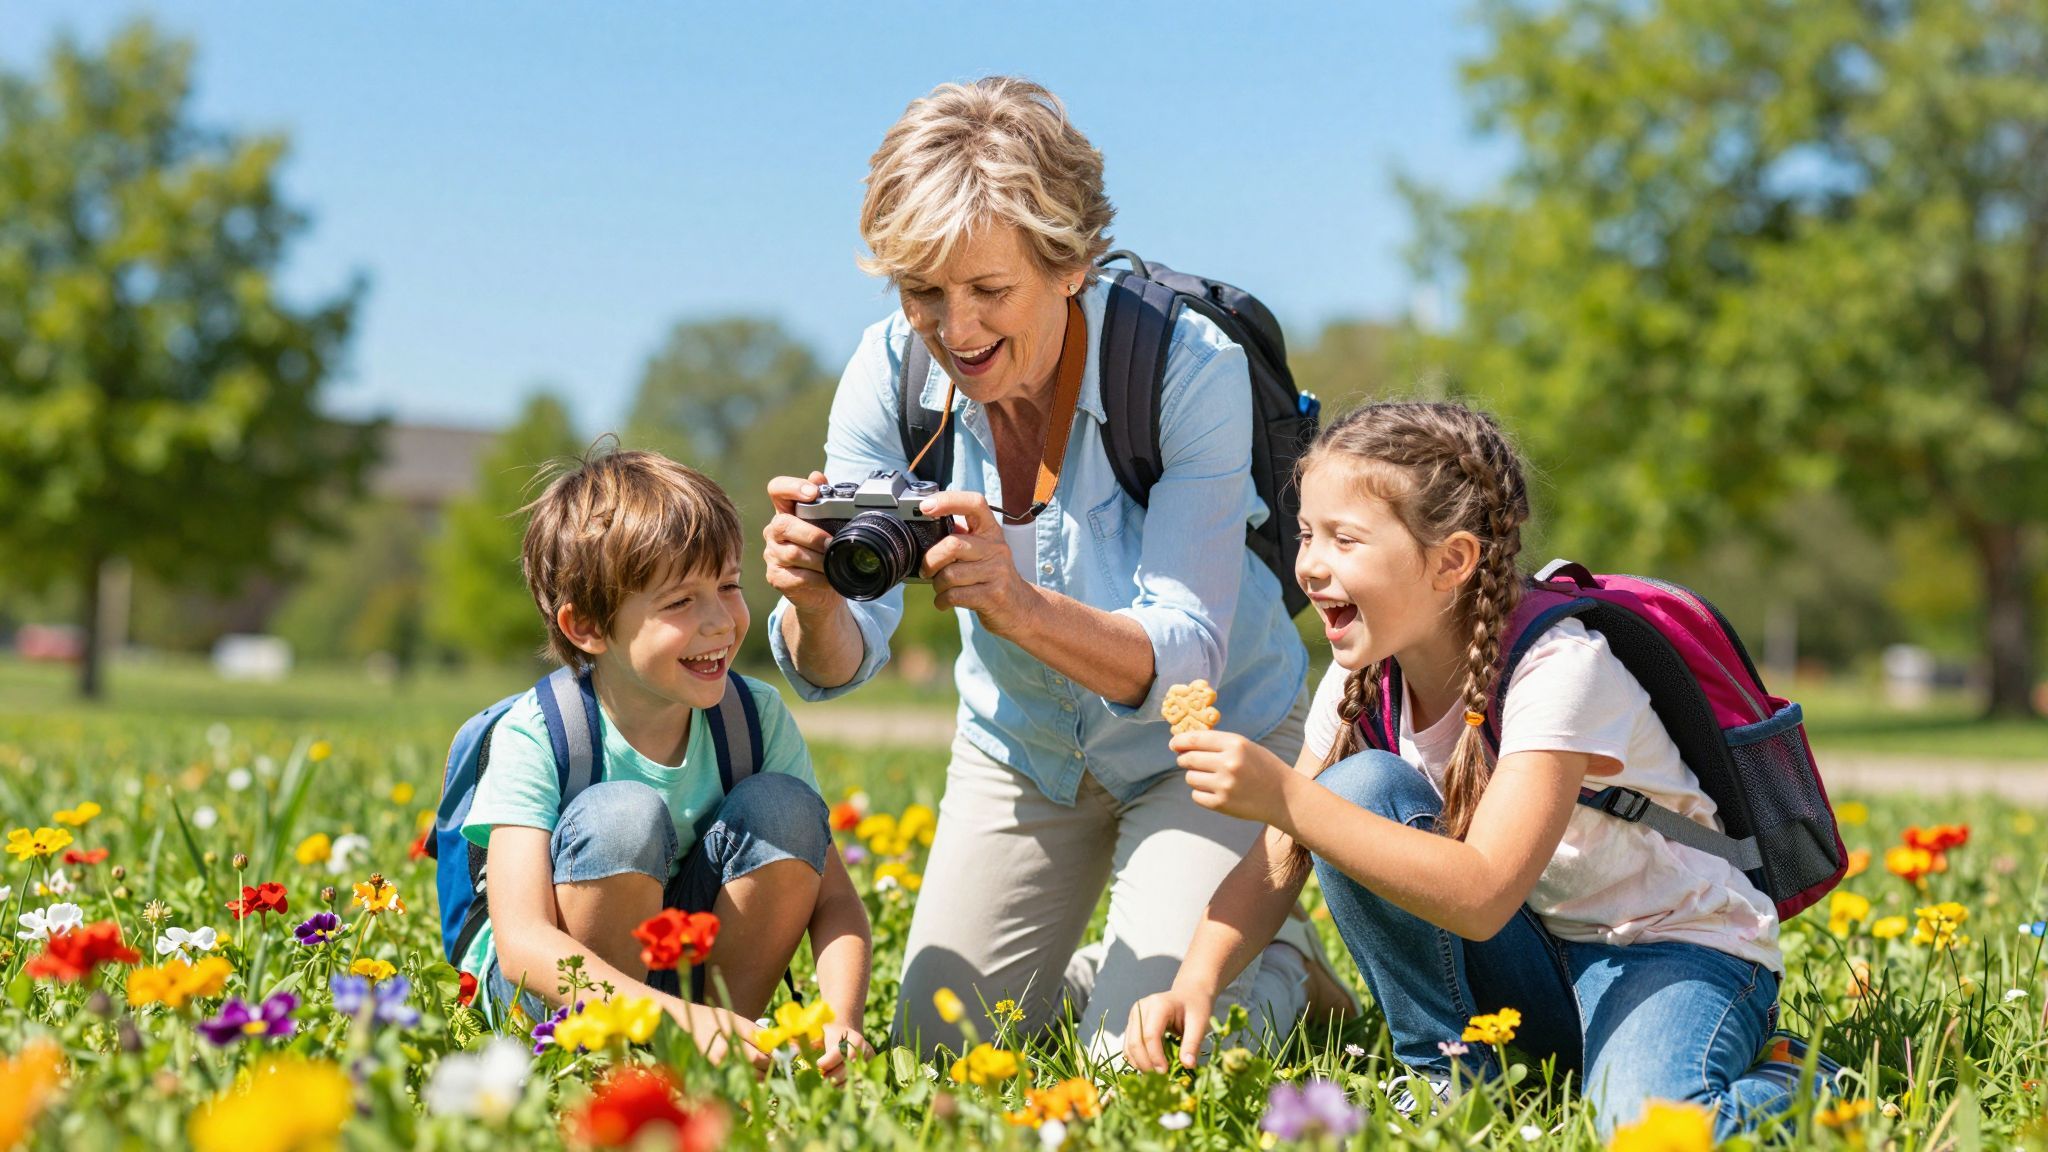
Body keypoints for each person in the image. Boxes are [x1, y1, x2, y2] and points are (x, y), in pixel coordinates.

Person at [762, 76, 1351, 1057]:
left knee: (1141, 1057)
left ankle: (1276, 964)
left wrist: (1016, 606)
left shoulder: (1183, 365)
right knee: (937, 1046)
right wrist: (814, 601)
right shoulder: (887, 374)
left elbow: (1188, 656)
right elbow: (833, 669)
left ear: (1069, 263)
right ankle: (1122, 973)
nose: (955, 333)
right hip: (1023, 749)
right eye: (923, 295)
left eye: (989, 291)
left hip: (1205, 746)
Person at [1127, 401, 1831, 1138]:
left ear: (1451, 561)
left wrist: (1285, 799)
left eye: (1344, 538)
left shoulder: (1560, 671)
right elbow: (1282, 856)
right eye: (1306, 533)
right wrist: (1196, 980)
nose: (1310, 564)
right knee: (1358, 792)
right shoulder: (1363, 674)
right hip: (1535, 959)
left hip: (1668, 952)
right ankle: (1449, 1074)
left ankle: (1804, 1081)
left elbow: (1485, 893)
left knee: (1642, 1134)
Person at [462, 447, 872, 1077]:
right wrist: (675, 1020)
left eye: (729, 586)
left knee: (787, 812)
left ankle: (723, 1053)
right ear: (588, 627)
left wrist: (842, 1019)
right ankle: (609, 1061)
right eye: (680, 602)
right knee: (623, 816)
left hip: (689, 993)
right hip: (556, 1001)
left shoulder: (754, 716)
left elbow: (834, 900)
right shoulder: (540, 733)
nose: (720, 622)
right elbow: (522, 945)